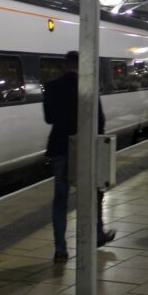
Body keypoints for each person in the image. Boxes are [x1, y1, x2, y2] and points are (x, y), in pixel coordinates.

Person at [42, 51, 116, 262]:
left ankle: (60, 248)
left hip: (59, 147)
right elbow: (100, 120)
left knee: (60, 200)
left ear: (66, 65)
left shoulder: (52, 86)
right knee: (93, 193)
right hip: (84, 148)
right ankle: (97, 234)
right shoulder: (88, 87)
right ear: (81, 65)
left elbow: (49, 119)